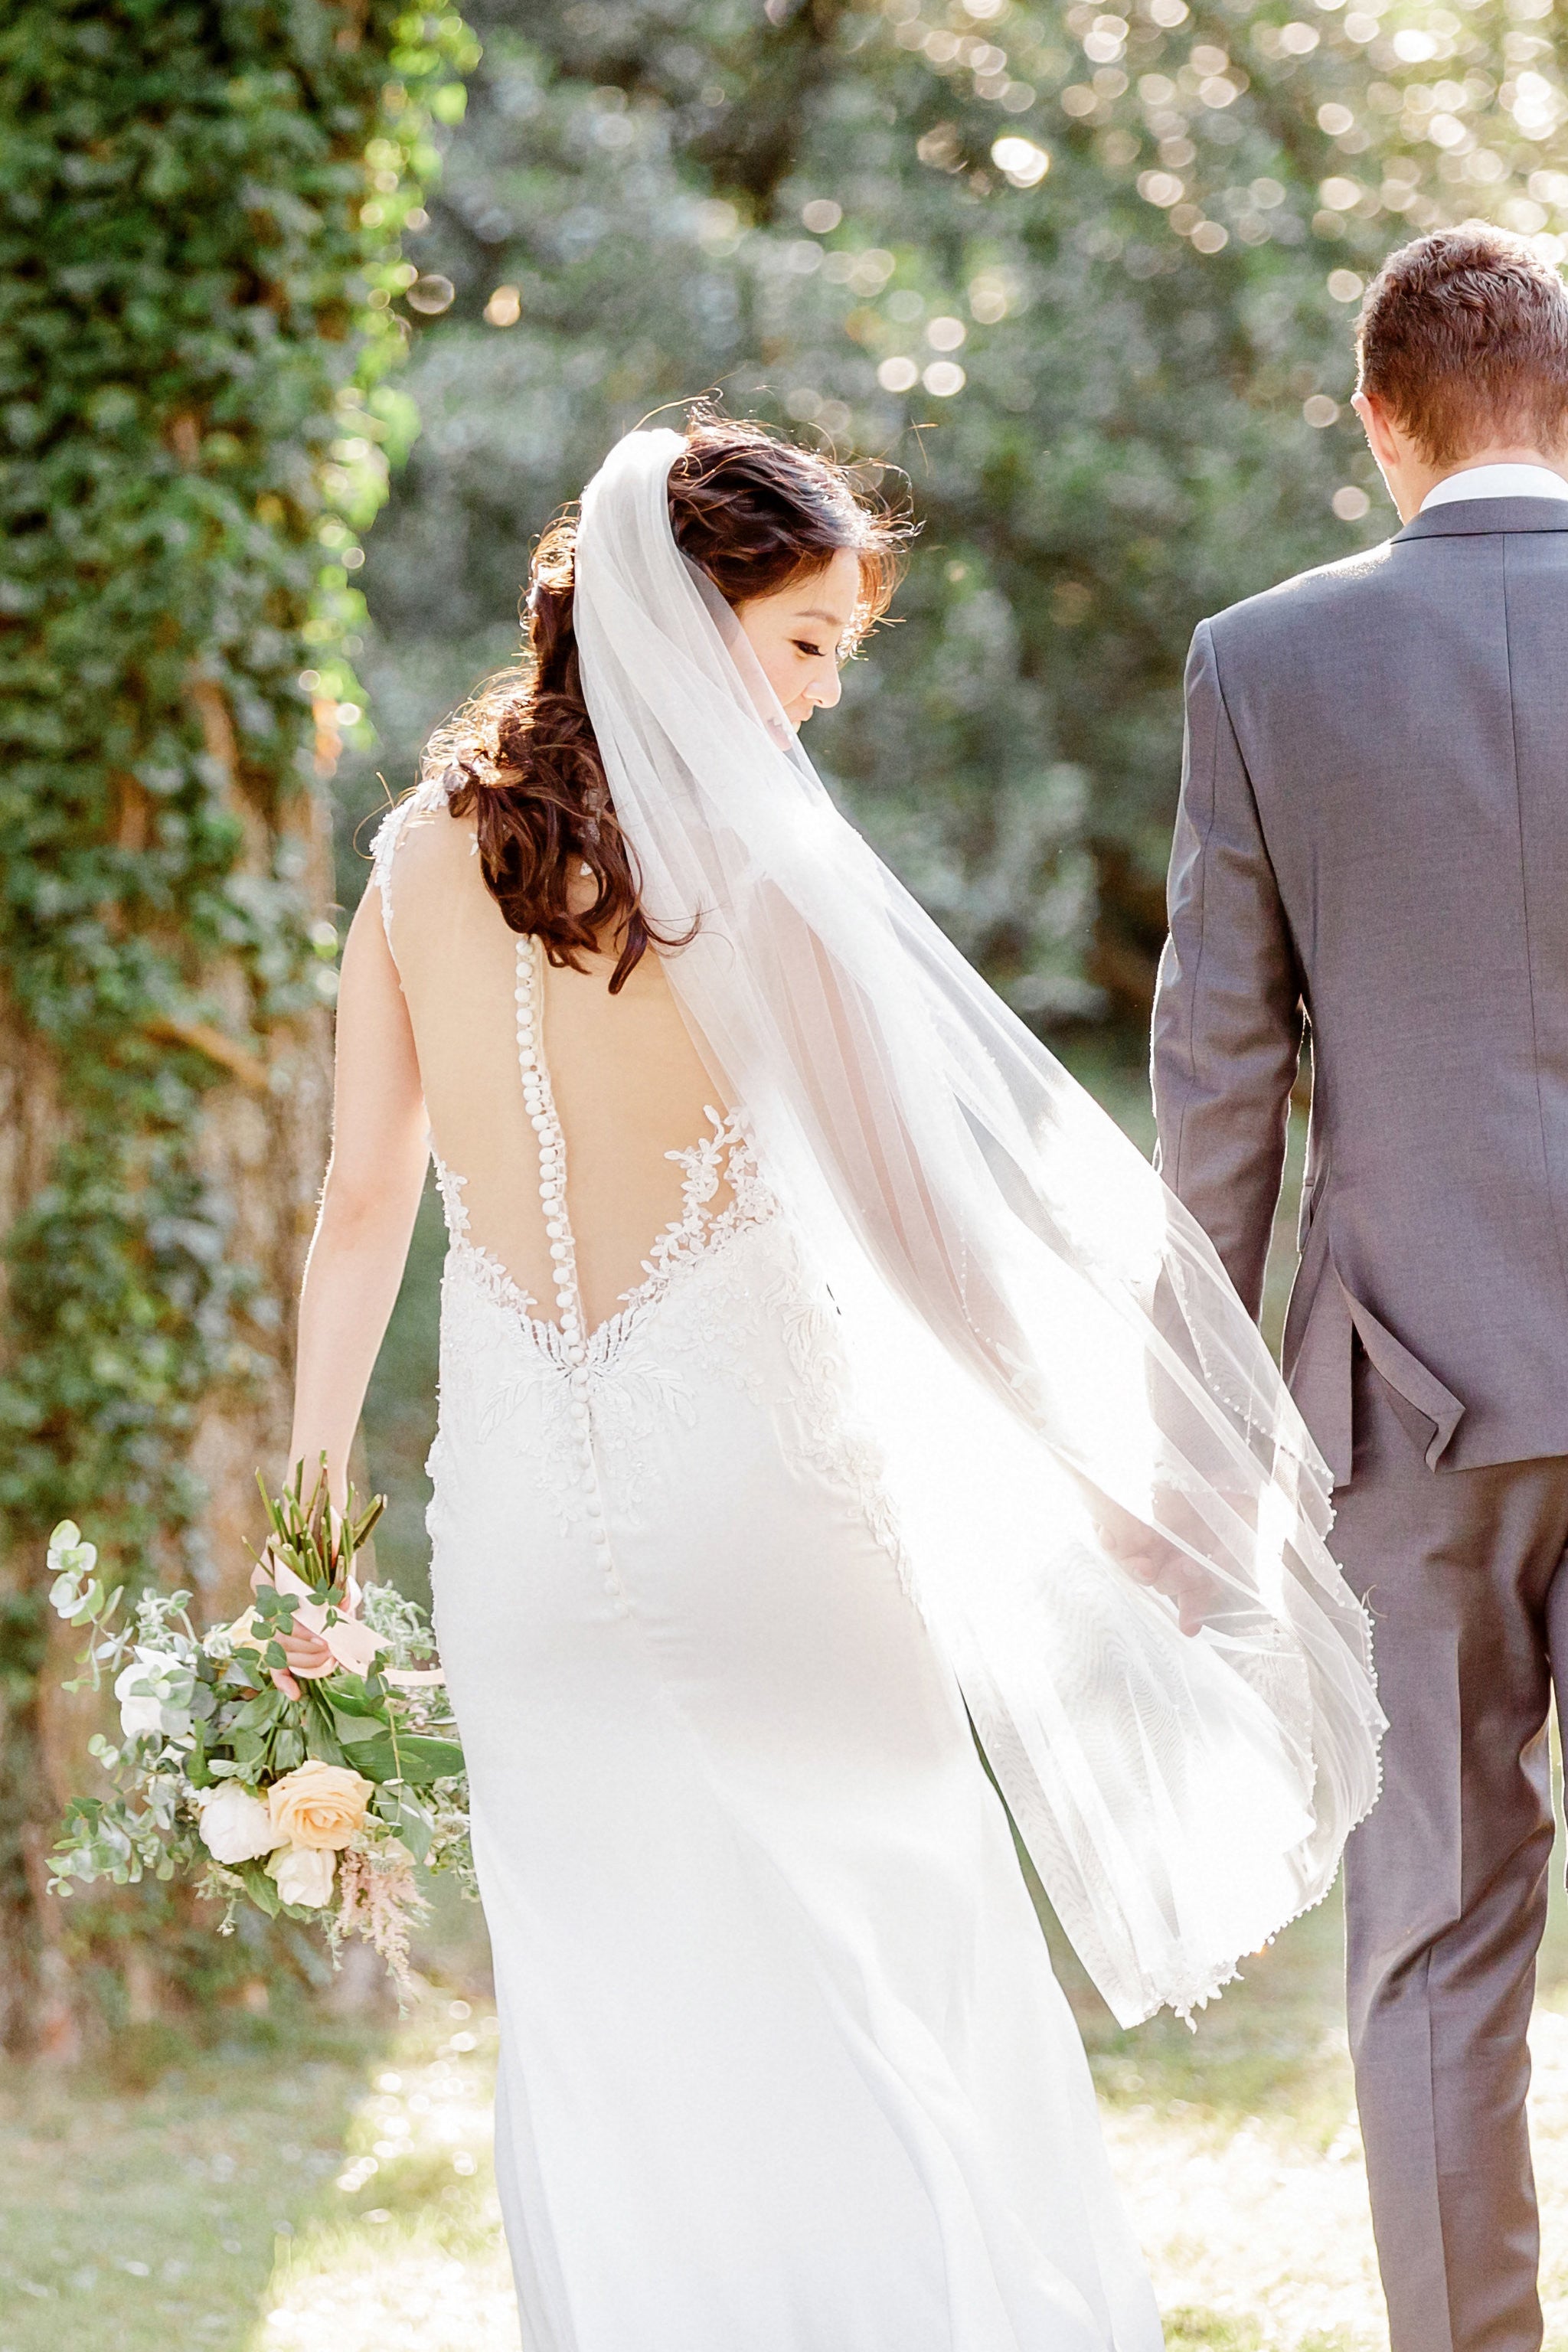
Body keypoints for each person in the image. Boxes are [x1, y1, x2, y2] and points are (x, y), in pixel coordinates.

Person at [282, 410, 1381, 2350]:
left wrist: (306, 1550)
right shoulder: (757, 885)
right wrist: (1097, 1475)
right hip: (760, 1524)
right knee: (893, 1967)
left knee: (608, 2017)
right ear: (685, 616)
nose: (811, 704)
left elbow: (363, 1204)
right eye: (800, 645)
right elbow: (914, 1235)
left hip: (519, 1536)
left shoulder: (407, 859)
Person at [1152, 226, 1568, 2352]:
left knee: (1431, 1943)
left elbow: (1221, 1080)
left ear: (1378, 425)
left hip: (1408, 1414)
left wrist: (1188, 1440)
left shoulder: (1262, 666)